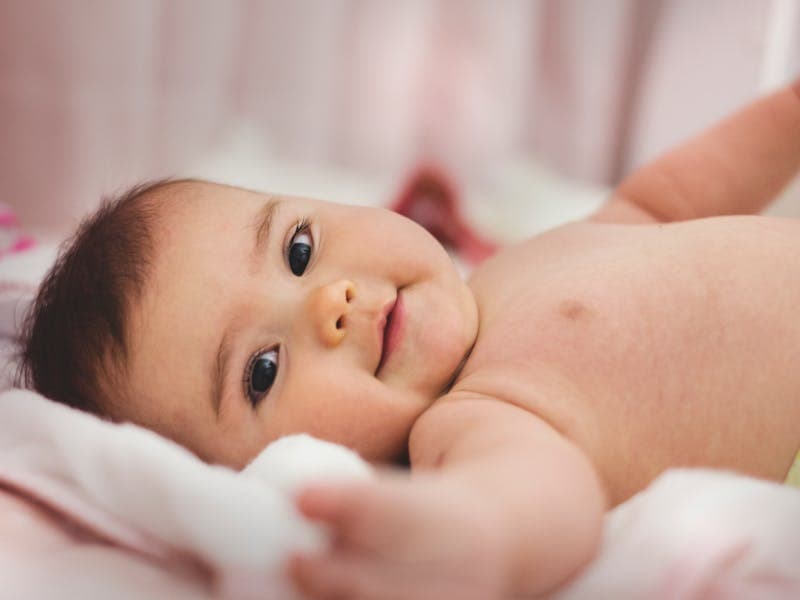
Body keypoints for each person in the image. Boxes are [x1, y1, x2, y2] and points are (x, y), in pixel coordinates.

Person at [17, 80, 800, 599]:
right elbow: (542, 499)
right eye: (262, 370)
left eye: (297, 250)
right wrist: (472, 536)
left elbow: (661, 203)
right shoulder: (471, 417)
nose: (331, 302)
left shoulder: (512, 270)